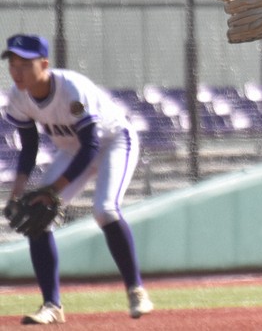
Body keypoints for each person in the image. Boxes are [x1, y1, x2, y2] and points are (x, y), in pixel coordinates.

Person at [1, 34, 153, 324]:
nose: (16, 71)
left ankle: (137, 290)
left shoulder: (71, 89)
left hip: (113, 142)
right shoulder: (18, 96)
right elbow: (29, 145)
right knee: (36, 215)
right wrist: (17, 191)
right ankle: (52, 306)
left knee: (105, 209)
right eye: (12, 64)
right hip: (71, 150)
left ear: (44, 64)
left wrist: (53, 190)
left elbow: (92, 145)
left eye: (24, 64)